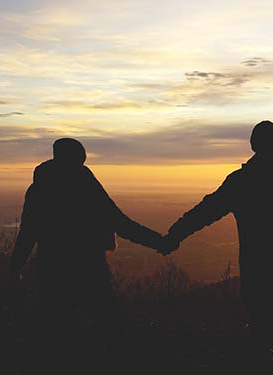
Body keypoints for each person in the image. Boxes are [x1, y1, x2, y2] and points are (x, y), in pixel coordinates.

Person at [161, 120, 273, 371]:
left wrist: (174, 235)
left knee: (261, 343)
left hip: (258, 275)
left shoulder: (242, 181)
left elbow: (206, 211)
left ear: (252, 145)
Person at [10, 138, 164, 373]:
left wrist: (14, 268)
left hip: (51, 269)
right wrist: (158, 242)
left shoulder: (40, 187)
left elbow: (28, 233)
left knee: (56, 332)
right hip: (89, 268)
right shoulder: (85, 184)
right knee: (105, 326)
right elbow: (120, 223)